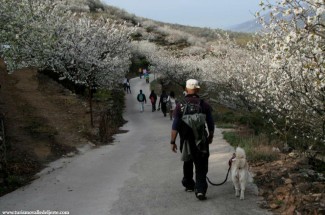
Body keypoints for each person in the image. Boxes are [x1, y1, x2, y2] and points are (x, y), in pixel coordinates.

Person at [169, 79, 215, 201]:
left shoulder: (180, 105)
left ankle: (189, 184)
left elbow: (175, 126)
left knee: (187, 161)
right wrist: (210, 135)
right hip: (201, 140)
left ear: (186, 89)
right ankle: (200, 190)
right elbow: (210, 123)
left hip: (186, 140)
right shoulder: (203, 104)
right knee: (201, 164)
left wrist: (172, 142)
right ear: (198, 90)